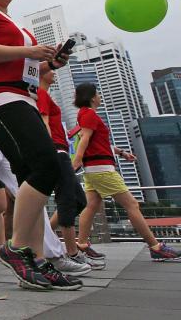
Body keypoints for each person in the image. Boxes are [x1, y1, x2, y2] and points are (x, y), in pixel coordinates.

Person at [0, 0, 83, 290]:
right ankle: (16, 249)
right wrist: (30, 50)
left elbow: (24, 68)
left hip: (22, 96)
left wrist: (48, 63)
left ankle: (38, 260)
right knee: (46, 165)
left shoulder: (18, 26)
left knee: (32, 176)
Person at [72, 83, 180, 261]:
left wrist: (121, 153)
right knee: (132, 205)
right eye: (97, 94)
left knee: (91, 206)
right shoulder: (88, 113)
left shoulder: (85, 114)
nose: (100, 96)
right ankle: (156, 246)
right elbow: (84, 139)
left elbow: (98, 143)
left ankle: (82, 245)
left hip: (94, 168)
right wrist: (76, 162)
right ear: (92, 97)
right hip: (101, 169)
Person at [36, 69, 101, 270]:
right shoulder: (40, 93)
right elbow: (43, 123)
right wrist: (49, 152)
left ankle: (49, 239)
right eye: (50, 69)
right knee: (67, 198)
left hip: (61, 149)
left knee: (79, 200)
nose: (54, 72)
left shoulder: (45, 95)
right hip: (54, 150)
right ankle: (71, 252)